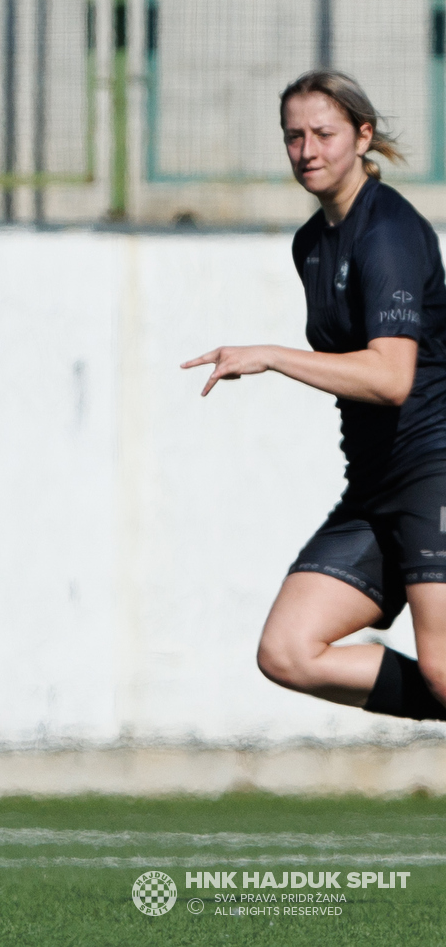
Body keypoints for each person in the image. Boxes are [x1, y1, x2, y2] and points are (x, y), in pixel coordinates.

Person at [183, 70, 446, 726]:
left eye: (323, 134)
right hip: (376, 486)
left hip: (434, 474)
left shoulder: (387, 234)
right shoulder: (313, 243)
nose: (307, 151)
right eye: (293, 136)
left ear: (362, 136)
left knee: (443, 667)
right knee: (289, 650)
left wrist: (272, 356)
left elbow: (391, 378)